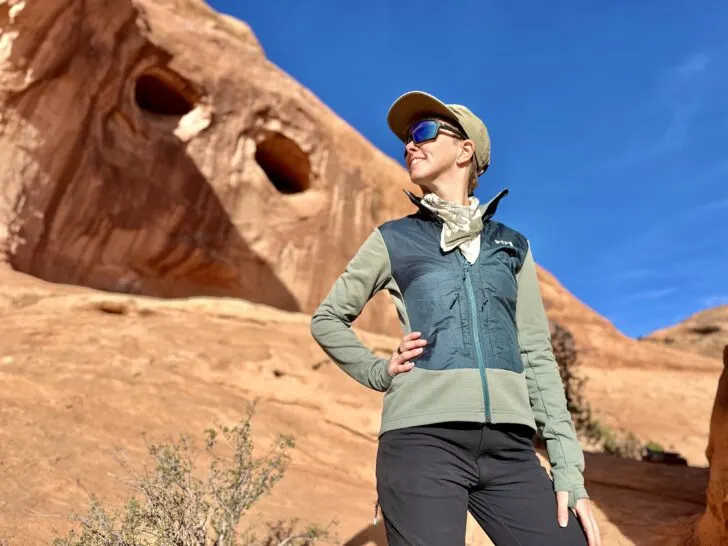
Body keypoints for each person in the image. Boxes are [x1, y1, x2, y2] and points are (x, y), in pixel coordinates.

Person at [310, 90, 601, 546]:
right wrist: (377, 370)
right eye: (406, 138)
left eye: (424, 132)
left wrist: (567, 467)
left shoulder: (513, 247)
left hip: (510, 448)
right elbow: (327, 318)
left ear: (466, 150)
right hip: (422, 441)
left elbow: (537, 355)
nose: (410, 144)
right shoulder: (394, 239)